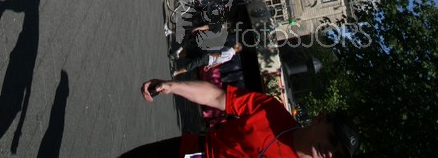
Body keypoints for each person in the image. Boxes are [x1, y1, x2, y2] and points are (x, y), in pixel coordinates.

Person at [119, 79, 360, 158]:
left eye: (337, 156)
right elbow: (217, 97)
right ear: (321, 119)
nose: (330, 153)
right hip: (191, 152)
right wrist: (172, 86)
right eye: (332, 139)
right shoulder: (272, 111)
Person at [171, 40, 243, 76]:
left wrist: (209, 54)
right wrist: (210, 66)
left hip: (208, 56)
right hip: (209, 58)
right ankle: (176, 56)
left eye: (236, 44)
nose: (235, 43)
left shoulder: (230, 50)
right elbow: (219, 62)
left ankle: (176, 72)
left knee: (193, 63)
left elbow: (219, 54)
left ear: (237, 48)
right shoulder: (230, 56)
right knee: (191, 53)